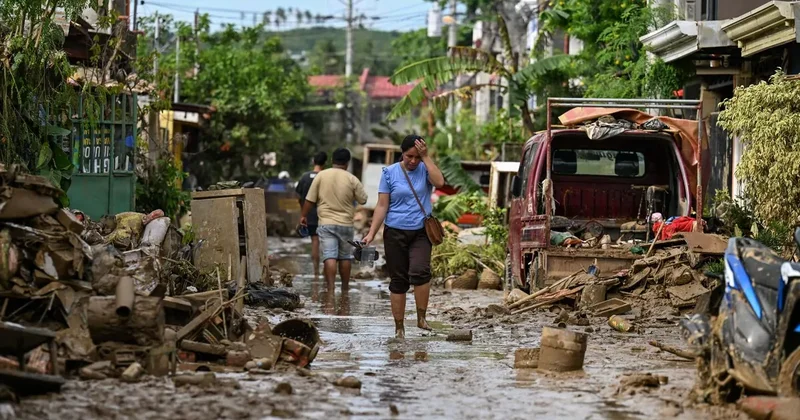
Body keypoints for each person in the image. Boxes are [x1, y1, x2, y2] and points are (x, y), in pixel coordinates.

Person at [363, 135, 445, 339]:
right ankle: (399, 327)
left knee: (420, 272)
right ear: (402, 153)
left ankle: (421, 318)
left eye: (417, 157)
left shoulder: (425, 168)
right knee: (398, 280)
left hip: (420, 231)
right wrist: (372, 233)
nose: (413, 161)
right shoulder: (389, 173)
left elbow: (440, 182)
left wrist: (426, 157)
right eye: (410, 156)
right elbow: (382, 205)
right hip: (394, 232)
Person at [300, 148, 367, 288]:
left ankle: (330, 288)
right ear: (347, 163)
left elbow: (309, 200)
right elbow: (363, 200)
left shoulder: (321, 176)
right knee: (345, 256)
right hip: (346, 224)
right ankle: (345, 288)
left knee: (329, 255)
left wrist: (304, 216)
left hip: (326, 223)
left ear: (331, 160)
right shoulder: (352, 178)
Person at [295, 151, 327, 276]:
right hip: (325, 214)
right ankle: (327, 270)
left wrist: (303, 212)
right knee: (326, 241)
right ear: (325, 163)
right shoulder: (326, 176)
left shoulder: (305, 177)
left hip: (309, 215)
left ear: (314, 161)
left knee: (315, 240)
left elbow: (298, 195)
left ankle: (315, 271)